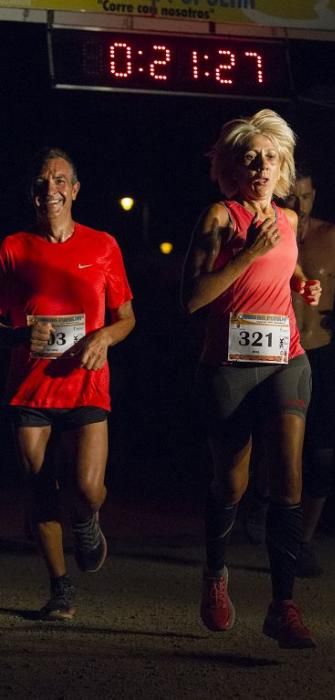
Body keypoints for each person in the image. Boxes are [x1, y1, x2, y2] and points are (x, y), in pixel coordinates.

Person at [181, 109, 322, 649]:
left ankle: (283, 605)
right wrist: (251, 254)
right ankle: (216, 573)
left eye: (270, 157)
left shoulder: (286, 220)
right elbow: (192, 299)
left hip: (287, 359)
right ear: (232, 168)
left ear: (282, 165)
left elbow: (290, 270)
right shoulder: (220, 217)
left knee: (288, 476)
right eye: (250, 158)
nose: (261, 166)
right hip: (229, 368)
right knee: (233, 483)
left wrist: (303, 287)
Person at [0, 147, 135, 620]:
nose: (49, 188)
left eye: (59, 180)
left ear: (74, 190)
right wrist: (19, 334)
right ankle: (60, 588)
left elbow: (127, 319)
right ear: (32, 193)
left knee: (85, 487)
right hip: (31, 391)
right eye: (42, 181)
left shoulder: (103, 246)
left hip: (85, 386)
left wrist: (104, 336)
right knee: (38, 487)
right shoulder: (12, 248)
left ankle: (88, 520)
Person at [244, 172, 335, 576]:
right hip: (274, 353)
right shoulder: (264, 233)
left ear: (315, 194)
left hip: (320, 354)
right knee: (272, 446)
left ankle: (302, 541)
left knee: (321, 457)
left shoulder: (334, 237)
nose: (300, 203)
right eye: (293, 195)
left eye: (306, 195)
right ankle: (262, 497)